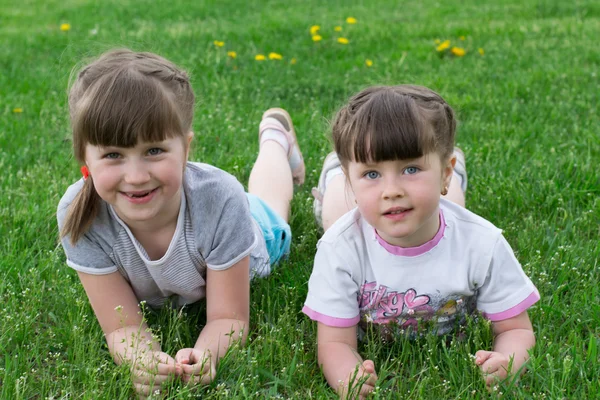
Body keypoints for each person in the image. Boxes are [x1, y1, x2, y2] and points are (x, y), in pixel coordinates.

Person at [56, 49, 305, 398]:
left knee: (272, 204)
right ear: (85, 156)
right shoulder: (79, 216)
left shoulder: (221, 199)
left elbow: (229, 319)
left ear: (186, 148)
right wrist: (141, 359)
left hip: (244, 228)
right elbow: (121, 326)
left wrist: (207, 354)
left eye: (154, 151)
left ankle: (276, 140)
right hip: (209, 212)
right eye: (113, 155)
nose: (136, 176)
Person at [303, 85, 539, 398]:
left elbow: (516, 329)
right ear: (354, 180)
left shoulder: (482, 243)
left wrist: (510, 360)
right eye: (371, 174)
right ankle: (336, 171)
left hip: (442, 202)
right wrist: (348, 376)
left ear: (444, 173)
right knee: (334, 211)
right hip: (347, 207)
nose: (392, 190)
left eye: (410, 168)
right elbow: (334, 343)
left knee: (451, 204)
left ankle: (441, 169)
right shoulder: (340, 248)